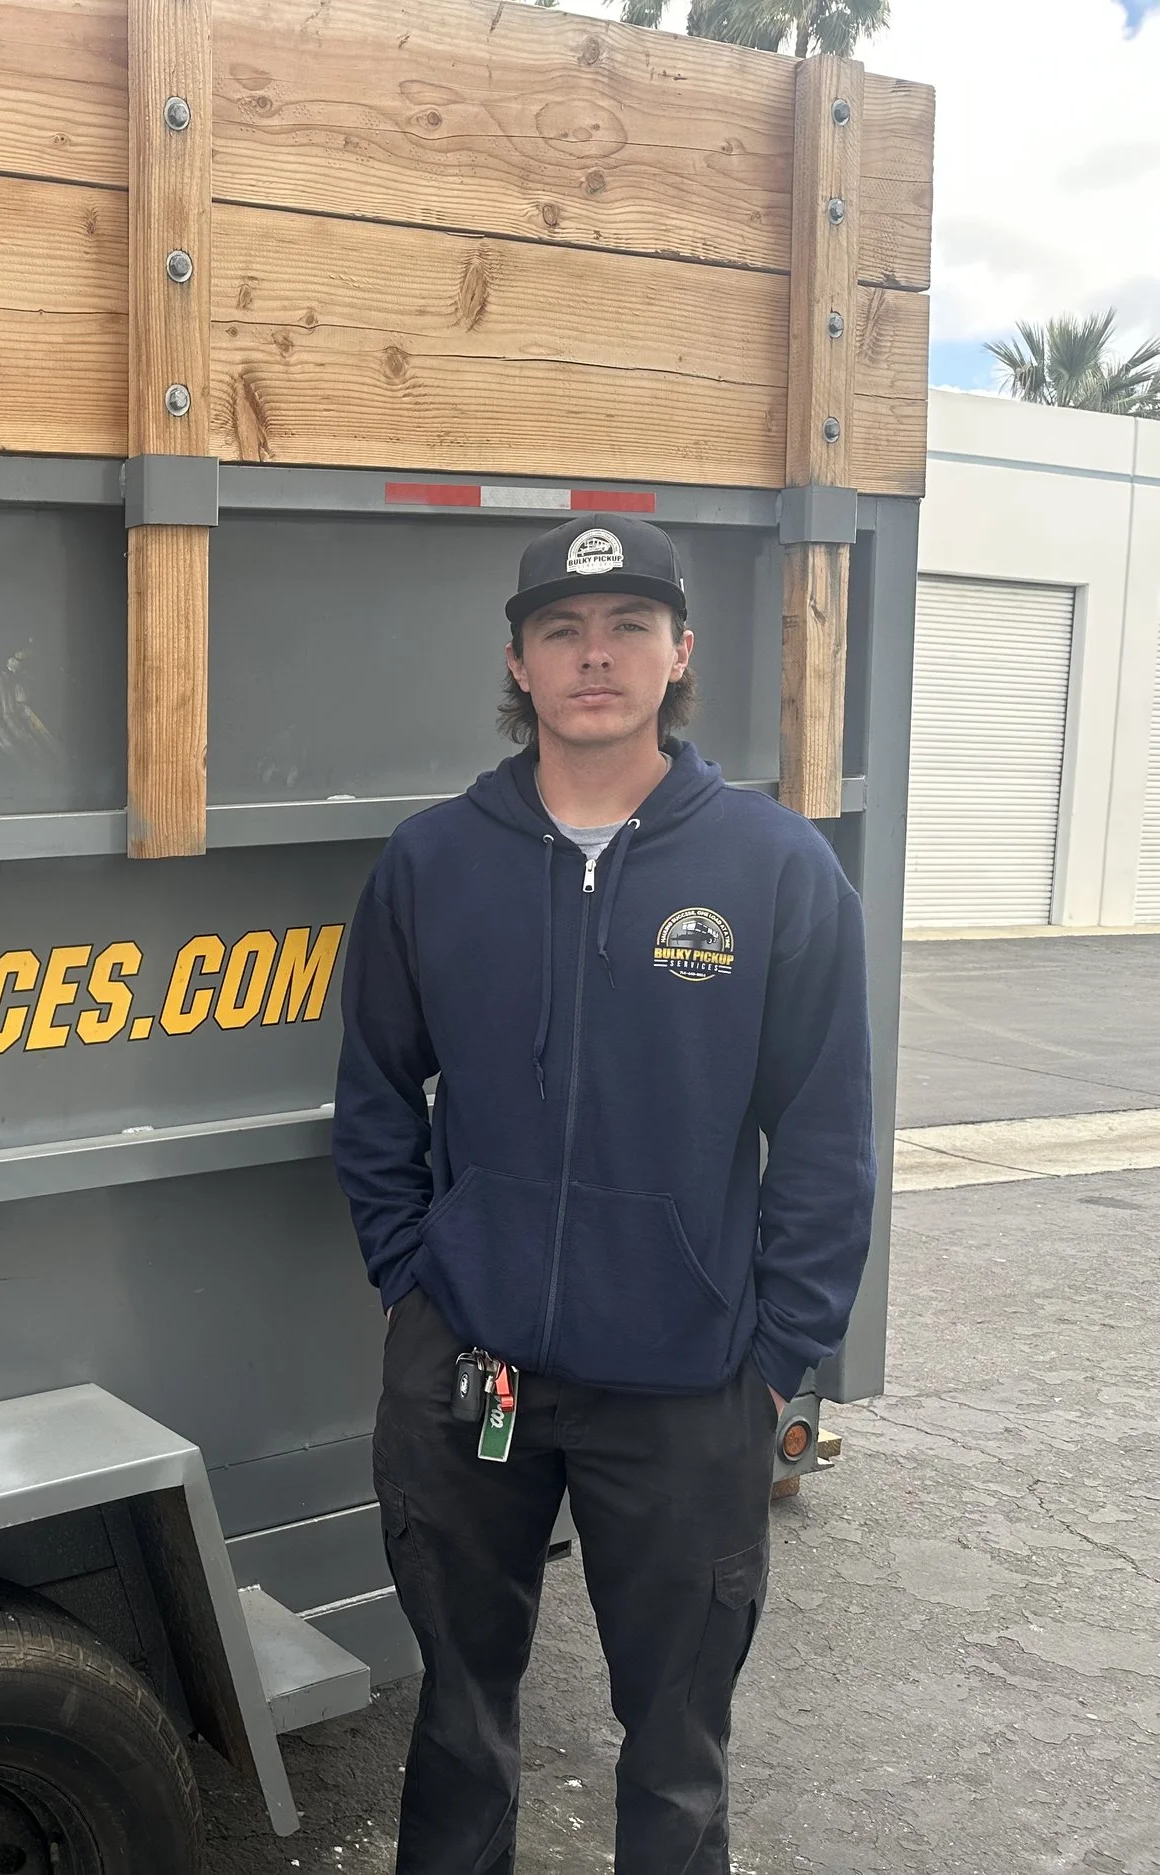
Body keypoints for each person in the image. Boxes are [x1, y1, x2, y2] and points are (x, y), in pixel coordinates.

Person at [332, 514, 877, 1873]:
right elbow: (376, 1097)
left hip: (691, 1389)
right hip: (470, 1378)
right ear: (517, 661)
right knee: (458, 1723)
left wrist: (773, 1360)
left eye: (629, 625)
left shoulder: (773, 867)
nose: (595, 656)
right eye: (563, 631)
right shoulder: (431, 864)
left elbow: (824, 1137)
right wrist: (419, 1275)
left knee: (678, 1753)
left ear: (680, 652)